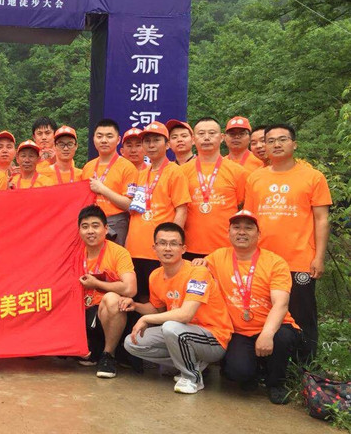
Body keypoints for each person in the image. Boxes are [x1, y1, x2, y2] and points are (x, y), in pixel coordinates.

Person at [244, 123, 331, 358]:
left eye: (282, 139)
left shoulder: (313, 177)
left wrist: (319, 257)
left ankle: (306, 364)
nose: (276, 144)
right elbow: (249, 220)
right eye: (270, 140)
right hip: (263, 260)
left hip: (299, 259)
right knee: (265, 312)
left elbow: (321, 219)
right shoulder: (255, 178)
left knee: (302, 313)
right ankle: (269, 363)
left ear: (294, 144)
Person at [204, 211, 303, 404]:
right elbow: (195, 272)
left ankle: (276, 383)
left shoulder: (275, 262)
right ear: (228, 232)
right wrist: (198, 263)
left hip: (274, 326)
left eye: (248, 228)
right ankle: (254, 373)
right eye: (236, 227)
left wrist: (267, 334)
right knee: (237, 372)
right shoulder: (217, 257)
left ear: (259, 234)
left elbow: (281, 303)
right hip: (239, 331)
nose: (242, 232)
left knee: (282, 338)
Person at [122, 223, 233, 394]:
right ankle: (192, 363)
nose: (168, 248)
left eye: (174, 243)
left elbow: (185, 315)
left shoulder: (198, 272)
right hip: (181, 332)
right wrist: (135, 306)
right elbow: (157, 310)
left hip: (213, 338)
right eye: (162, 243)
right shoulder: (155, 276)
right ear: (154, 248)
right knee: (132, 343)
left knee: (171, 327)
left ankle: (192, 378)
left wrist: (145, 319)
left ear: (183, 249)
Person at [124, 122, 190, 301]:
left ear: (167, 145)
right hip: (134, 249)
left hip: (159, 251)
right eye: (147, 141)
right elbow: (134, 211)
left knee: (157, 301)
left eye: (156, 140)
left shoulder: (174, 172)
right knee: (135, 300)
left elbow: (182, 210)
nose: (151, 145)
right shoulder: (140, 174)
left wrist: (173, 245)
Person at [74, 205, 137, 379]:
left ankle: (108, 355)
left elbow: (130, 288)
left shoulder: (118, 252)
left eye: (95, 226)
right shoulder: (74, 252)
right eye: (85, 226)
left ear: (106, 228)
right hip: (79, 313)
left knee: (112, 299)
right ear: (79, 230)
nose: (90, 231)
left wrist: (97, 284)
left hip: (105, 316)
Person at [181, 117, 247, 259]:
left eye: (212, 133)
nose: (206, 138)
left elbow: (242, 207)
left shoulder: (238, 171)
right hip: (189, 247)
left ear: (222, 137)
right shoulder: (181, 172)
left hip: (226, 248)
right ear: (193, 139)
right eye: (201, 134)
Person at [81, 119, 139, 247]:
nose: (104, 140)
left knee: (114, 258)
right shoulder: (88, 167)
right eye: (99, 136)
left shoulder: (127, 167)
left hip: (116, 223)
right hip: (90, 224)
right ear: (93, 139)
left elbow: (129, 204)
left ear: (118, 140)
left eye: (109, 136)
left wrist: (102, 189)